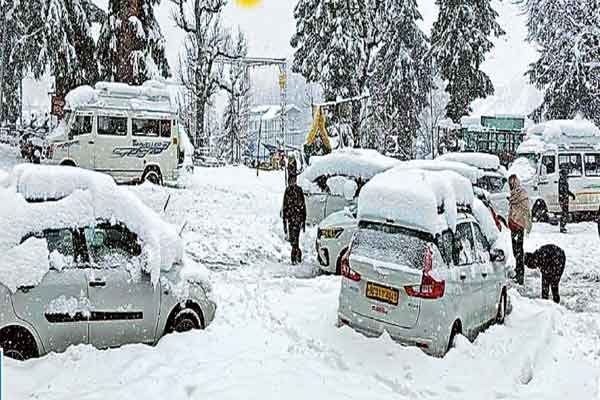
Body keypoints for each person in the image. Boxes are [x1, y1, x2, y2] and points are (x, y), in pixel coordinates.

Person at [508, 174, 532, 285]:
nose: (510, 186)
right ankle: (518, 270)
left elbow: (526, 210)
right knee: (515, 250)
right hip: (514, 226)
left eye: (511, 184)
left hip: (519, 226)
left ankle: (520, 274)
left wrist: (520, 219)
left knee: (519, 251)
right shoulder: (513, 195)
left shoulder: (521, 194)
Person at [283, 174, 306, 265]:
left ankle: (295, 256)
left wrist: (303, 220)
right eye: (290, 181)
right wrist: (285, 220)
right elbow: (285, 205)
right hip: (291, 218)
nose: (292, 182)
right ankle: (297, 253)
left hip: (298, 218)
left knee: (296, 238)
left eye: (293, 180)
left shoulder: (299, 190)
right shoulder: (288, 191)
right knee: (292, 239)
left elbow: (303, 205)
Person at [558, 166, 576, 233]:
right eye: (565, 174)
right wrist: (564, 196)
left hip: (565, 199)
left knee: (565, 213)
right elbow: (562, 191)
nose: (567, 176)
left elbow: (566, 191)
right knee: (564, 213)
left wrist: (572, 195)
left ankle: (563, 226)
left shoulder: (564, 181)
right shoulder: (562, 181)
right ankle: (562, 227)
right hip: (563, 199)